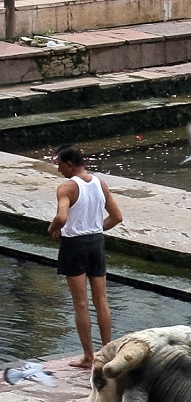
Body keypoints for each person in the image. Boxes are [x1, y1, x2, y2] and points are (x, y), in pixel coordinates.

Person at [49, 146, 122, 369]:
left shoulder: (66, 187)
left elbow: (62, 217)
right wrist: (94, 228)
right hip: (96, 243)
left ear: (70, 164)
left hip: (74, 246)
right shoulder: (100, 183)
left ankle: (89, 357)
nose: (58, 168)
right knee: (101, 300)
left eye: (60, 164)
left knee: (80, 304)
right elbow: (117, 217)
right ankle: (108, 354)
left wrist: (52, 229)